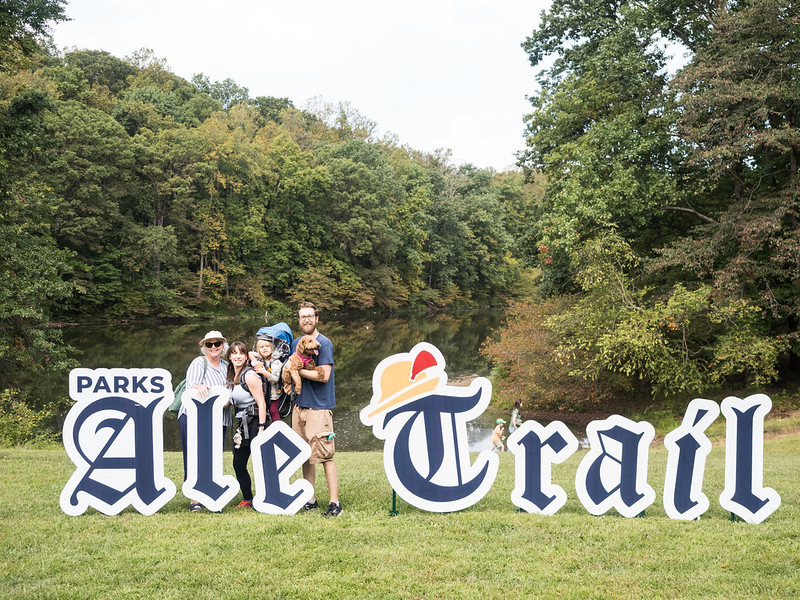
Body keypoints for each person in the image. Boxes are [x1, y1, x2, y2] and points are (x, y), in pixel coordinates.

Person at [288, 301, 341, 517]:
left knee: (325, 455)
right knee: (305, 455)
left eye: (310, 316)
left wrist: (297, 372)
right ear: (299, 320)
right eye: (303, 317)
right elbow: (291, 367)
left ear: (317, 319)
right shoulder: (295, 343)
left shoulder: (324, 343)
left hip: (319, 408)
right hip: (299, 406)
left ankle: (335, 503)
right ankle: (310, 499)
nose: (307, 320)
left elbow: (324, 375)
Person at [180, 330, 231, 512]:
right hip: (195, 418)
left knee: (214, 457)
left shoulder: (227, 365)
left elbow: (231, 388)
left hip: (219, 418)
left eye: (217, 343)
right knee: (195, 457)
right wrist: (199, 386)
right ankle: (195, 500)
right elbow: (189, 387)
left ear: (223, 345)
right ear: (204, 347)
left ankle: (211, 494)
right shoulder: (198, 363)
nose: (214, 347)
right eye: (209, 344)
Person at [227, 341, 269, 509]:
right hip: (242, 423)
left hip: (254, 422)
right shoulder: (233, 377)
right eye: (234, 353)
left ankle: (266, 496)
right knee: (238, 463)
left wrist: (261, 427)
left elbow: (261, 401)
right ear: (229, 356)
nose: (237, 356)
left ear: (245, 357)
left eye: (241, 353)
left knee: (260, 462)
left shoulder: (249, 376)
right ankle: (248, 499)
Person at [250, 335, 285, 423]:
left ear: (272, 348)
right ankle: (267, 427)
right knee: (264, 410)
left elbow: (275, 378)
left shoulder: (276, 362)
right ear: (258, 351)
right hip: (264, 392)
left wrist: (264, 372)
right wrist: (254, 361)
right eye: (261, 347)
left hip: (274, 393)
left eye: (267, 346)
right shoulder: (261, 359)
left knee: (273, 410)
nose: (265, 349)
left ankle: (278, 427)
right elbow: (248, 353)